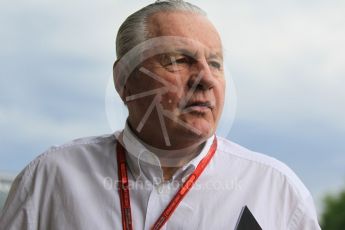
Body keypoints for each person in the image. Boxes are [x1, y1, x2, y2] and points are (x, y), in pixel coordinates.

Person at [0, 1, 321, 229]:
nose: (206, 78)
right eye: (180, 60)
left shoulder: (275, 190)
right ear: (124, 80)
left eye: (216, 64)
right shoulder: (52, 178)